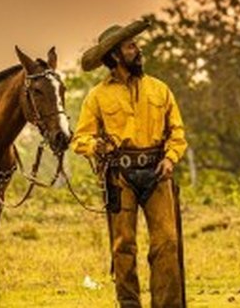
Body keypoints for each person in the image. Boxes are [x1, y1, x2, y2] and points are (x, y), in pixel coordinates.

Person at [72, 19, 188, 308]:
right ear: (114, 56)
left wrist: (171, 159)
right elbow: (80, 139)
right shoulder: (96, 96)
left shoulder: (160, 89)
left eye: (135, 44)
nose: (138, 50)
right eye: (131, 46)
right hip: (119, 177)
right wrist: (96, 145)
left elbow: (178, 133)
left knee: (167, 243)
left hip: (158, 172)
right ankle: (129, 304)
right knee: (123, 246)